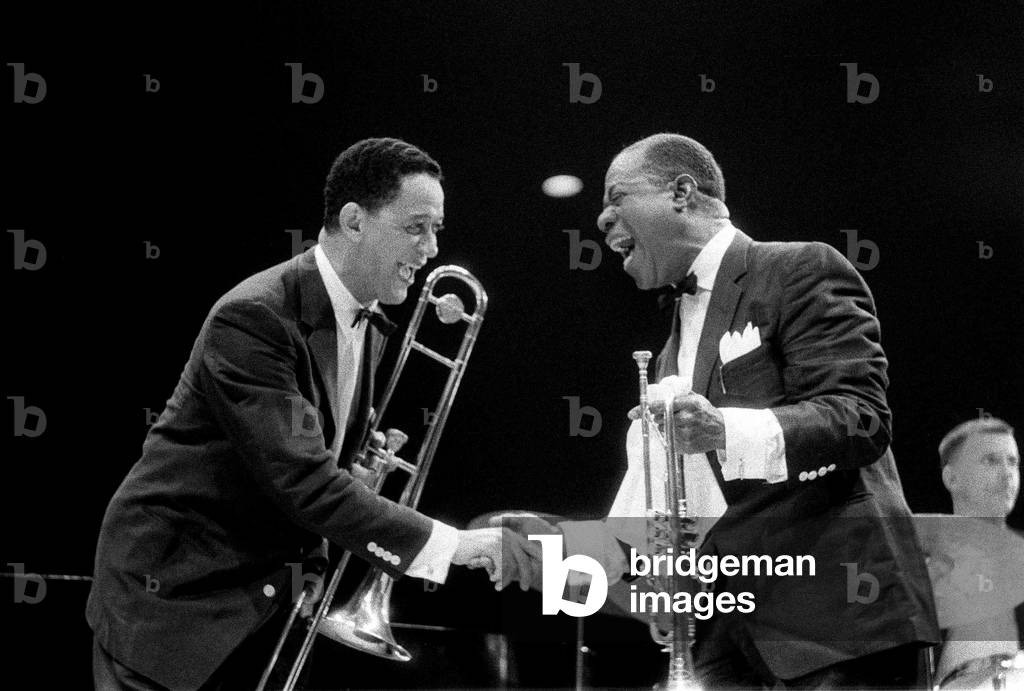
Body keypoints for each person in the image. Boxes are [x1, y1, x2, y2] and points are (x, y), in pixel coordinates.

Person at [86, 137, 534, 690]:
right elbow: (303, 482)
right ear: (353, 221)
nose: (431, 248)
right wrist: (454, 545)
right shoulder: (254, 317)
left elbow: (302, 468)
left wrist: (351, 477)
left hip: (263, 597)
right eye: (416, 227)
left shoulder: (368, 320)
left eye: (436, 229)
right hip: (177, 601)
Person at [503, 133, 939, 688]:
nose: (602, 219)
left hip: (840, 620)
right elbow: (688, 505)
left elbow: (861, 418)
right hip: (724, 638)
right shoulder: (670, 346)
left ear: (681, 193)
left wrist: (721, 428)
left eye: (617, 198)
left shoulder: (798, 267)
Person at [932, 417, 1022, 688]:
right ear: (951, 477)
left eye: (1013, 462)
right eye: (990, 461)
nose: (1007, 473)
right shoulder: (919, 561)